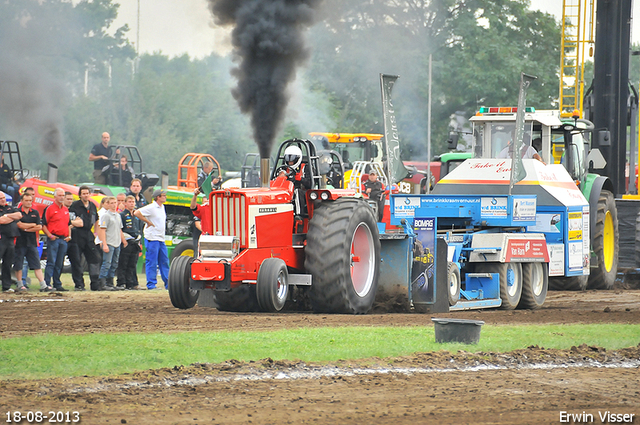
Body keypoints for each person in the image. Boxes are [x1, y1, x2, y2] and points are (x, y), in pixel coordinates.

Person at [68, 186, 104, 291]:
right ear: (80, 195)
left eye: (87, 193)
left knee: (95, 258)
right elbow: (70, 221)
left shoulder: (92, 205)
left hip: (89, 234)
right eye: (83, 193)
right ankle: (79, 285)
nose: (85, 195)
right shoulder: (75, 205)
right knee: (77, 261)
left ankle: (95, 284)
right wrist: (76, 223)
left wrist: (96, 233)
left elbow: (96, 220)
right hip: (77, 235)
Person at [13, 193, 50, 292]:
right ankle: (20, 284)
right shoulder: (17, 212)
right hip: (20, 242)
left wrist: (26, 228)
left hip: (32, 242)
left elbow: (39, 226)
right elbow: (19, 225)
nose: (29, 202)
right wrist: (31, 226)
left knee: (36, 264)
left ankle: (43, 285)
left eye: (30, 200)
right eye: (26, 200)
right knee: (19, 264)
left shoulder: (35, 212)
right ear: (22, 201)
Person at [134, 189, 170, 290]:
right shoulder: (151, 207)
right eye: (163, 196)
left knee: (164, 261)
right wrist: (147, 222)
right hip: (152, 238)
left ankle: (168, 283)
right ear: (158, 197)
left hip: (160, 238)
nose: (165, 197)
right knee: (152, 261)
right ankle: (151, 284)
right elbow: (137, 212)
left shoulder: (162, 207)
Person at [42, 188, 72, 291]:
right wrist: (50, 235)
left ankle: (57, 283)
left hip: (63, 239)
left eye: (63, 195)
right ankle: (46, 283)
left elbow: (68, 224)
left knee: (59, 263)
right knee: (51, 261)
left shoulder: (65, 209)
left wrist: (69, 235)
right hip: (54, 238)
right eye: (59, 195)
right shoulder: (50, 208)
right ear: (55, 197)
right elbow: (44, 224)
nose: (61, 197)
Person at [97, 196, 127, 291]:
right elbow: (102, 230)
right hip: (109, 242)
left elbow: (119, 229)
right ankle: (102, 283)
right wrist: (104, 243)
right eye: (112, 203)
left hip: (117, 242)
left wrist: (123, 240)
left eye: (115, 203)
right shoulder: (106, 215)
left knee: (114, 264)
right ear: (108, 204)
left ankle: (110, 282)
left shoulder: (118, 215)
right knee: (107, 263)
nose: (114, 205)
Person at [117, 195, 142, 289]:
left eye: (133, 202)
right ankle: (121, 283)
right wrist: (124, 241)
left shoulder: (136, 215)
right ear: (125, 203)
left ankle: (130, 283)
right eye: (130, 202)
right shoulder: (122, 215)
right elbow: (120, 229)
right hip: (126, 240)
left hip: (135, 241)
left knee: (132, 264)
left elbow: (139, 229)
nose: (132, 204)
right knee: (123, 263)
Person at [0, 191, 22, 292]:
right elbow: (1, 221)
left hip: (10, 239)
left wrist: (6, 216)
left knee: (7, 264)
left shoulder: (9, 208)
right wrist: (10, 218)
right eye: (1, 198)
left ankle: (6, 286)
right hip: (1, 238)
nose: (3, 200)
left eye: (3, 197)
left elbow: (19, 215)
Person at [190, 187, 211, 257]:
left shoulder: (221, 208)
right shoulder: (204, 208)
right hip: (206, 237)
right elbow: (193, 207)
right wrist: (195, 195)